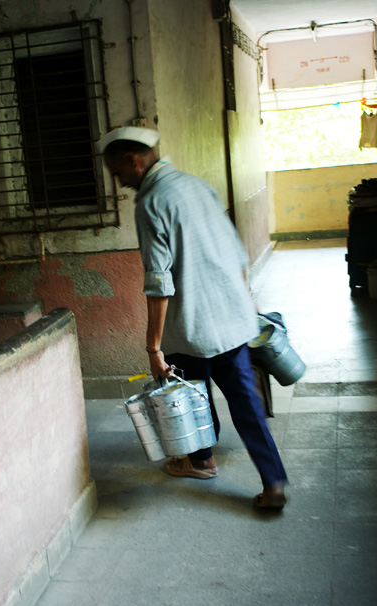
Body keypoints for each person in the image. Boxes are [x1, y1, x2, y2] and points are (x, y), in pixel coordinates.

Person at [98, 126, 289, 510]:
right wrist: (245, 305)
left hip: (191, 327)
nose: (121, 183)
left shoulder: (151, 202)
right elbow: (236, 254)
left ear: (132, 161)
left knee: (190, 393)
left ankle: (201, 461)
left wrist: (153, 347)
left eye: (118, 174)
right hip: (231, 321)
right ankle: (273, 483)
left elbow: (159, 283)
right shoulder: (197, 186)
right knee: (245, 403)